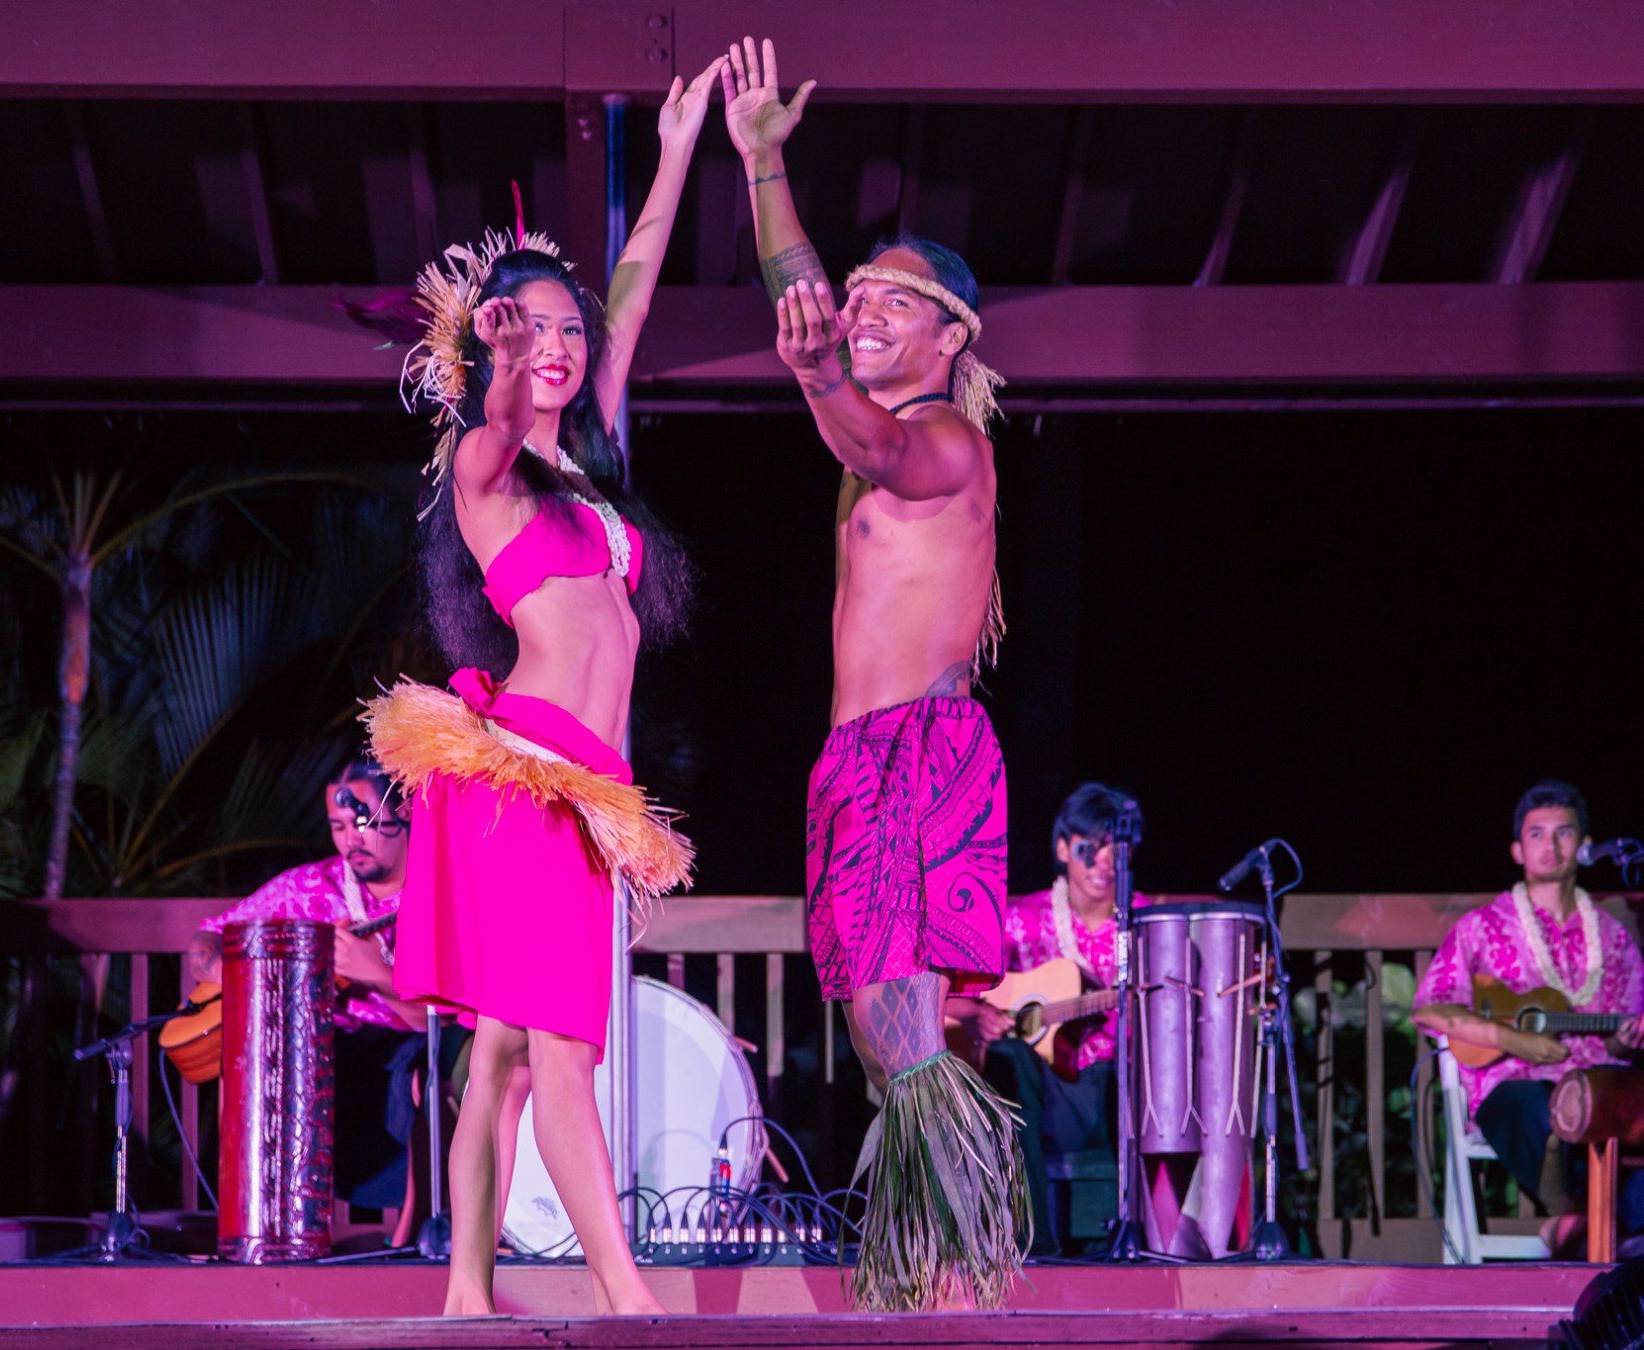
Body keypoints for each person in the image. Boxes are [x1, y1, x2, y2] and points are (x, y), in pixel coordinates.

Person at [361, 59, 720, 1317]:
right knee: (559, 1051)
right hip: (526, 774)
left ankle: (465, 1291)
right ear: (490, 342)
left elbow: (635, 282)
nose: (563, 347)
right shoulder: (485, 461)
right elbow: (503, 418)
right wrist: (501, 365)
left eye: (570, 333)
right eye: (534, 330)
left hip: (594, 788)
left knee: (510, 1056)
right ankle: (630, 1303)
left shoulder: (598, 456)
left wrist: (675, 151)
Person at [720, 36, 1027, 1311]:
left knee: (905, 1049)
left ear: (953, 334)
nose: (859, 312)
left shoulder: (943, 440)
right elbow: (821, 347)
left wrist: (819, 374)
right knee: (886, 1040)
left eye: (892, 302)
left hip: (916, 751)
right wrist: (762, 165)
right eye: (859, 298)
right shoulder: (864, 427)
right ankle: (936, 1272)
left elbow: (859, 424)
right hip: (864, 761)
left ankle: (955, 1289)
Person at [188, 756, 471, 1224]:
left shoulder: (442, 890)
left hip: (411, 1040)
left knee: (430, 1071)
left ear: (403, 812)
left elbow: (438, 1014)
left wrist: (377, 972)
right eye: (337, 826)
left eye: (362, 822)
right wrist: (251, 980)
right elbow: (211, 937)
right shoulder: (310, 887)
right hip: (321, 1043)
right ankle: (258, 1228)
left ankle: (413, 1241)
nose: (350, 840)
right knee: (253, 1062)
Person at [1413, 779, 1644, 1252]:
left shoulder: (1615, 938)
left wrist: (1627, 1039)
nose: (1551, 845)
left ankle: (1585, 1228)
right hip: (1515, 1088)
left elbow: (1623, 1039)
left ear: (1582, 846)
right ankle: (1591, 1222)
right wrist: (1516, 1040)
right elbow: (1432, 1007)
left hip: (1598, 1087)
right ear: (1518, 850)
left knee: (1626, 1108)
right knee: (1535, 1107)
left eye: (1564, 832)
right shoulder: (1482, 927)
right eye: (1537, 833)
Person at [950, 783, 1137, 1255]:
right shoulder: (1017, 920)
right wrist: (977, 1014)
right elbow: (948, 993)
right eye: (1088, 850)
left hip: (1123, 1093)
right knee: (1009, 1059)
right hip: (1051, 1098)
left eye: (1115, 851)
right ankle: (1032, 1242)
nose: (1102, 864)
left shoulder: (1145, 926)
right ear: (1062, 849)